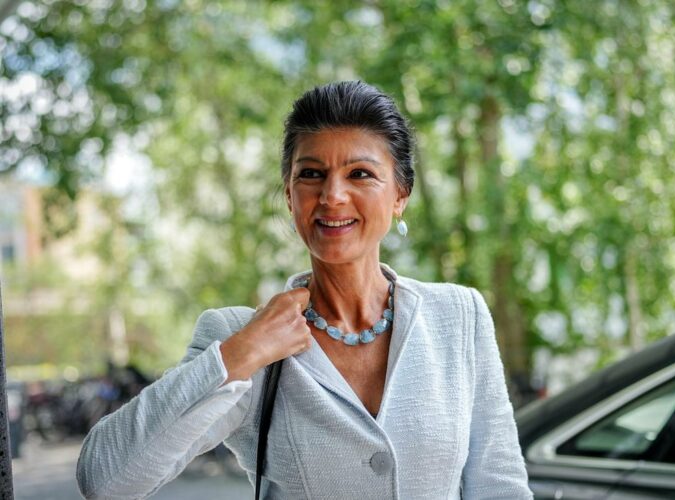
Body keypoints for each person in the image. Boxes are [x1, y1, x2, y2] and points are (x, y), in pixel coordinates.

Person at [76, 81, 532, 499]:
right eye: (311, 174)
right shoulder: (239, 334)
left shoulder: (459, 315)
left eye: (360, 174)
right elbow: (105, 478)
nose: (332, 195)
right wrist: (240, 354)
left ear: (400, 195)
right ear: (290, 195)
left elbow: (500, 486)